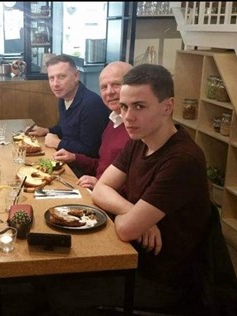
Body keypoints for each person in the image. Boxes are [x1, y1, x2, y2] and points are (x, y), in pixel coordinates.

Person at [91, 64, 211, 310]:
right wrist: (133, 212)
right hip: (133, 257)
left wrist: (134, 220)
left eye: (139, 106)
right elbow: (101, 188)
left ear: (168, 106)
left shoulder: (182, 160)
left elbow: (125, 230)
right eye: (124, 107)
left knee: (61, 290)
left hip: (163, 279)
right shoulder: (140, 140)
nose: (128, 117)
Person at [52, 61, 132, 189]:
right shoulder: (114, 121)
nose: (110, 92)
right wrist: (74, 157)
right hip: (96, 186)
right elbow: (101, 165)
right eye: (104, 87)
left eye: (116, 84)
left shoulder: (137, 129)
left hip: (106, 195)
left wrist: (100, 184)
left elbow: (135, 187)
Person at [27, 55, 110, 176]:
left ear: (76, 76)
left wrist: (58, 143)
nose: (55, 84)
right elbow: (65, 128)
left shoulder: (91, 104)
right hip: (68, 162)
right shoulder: (64, 97)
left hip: (84, 173)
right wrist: (46, 130)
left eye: (61, 77)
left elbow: (91, 150)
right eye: (51, 78)